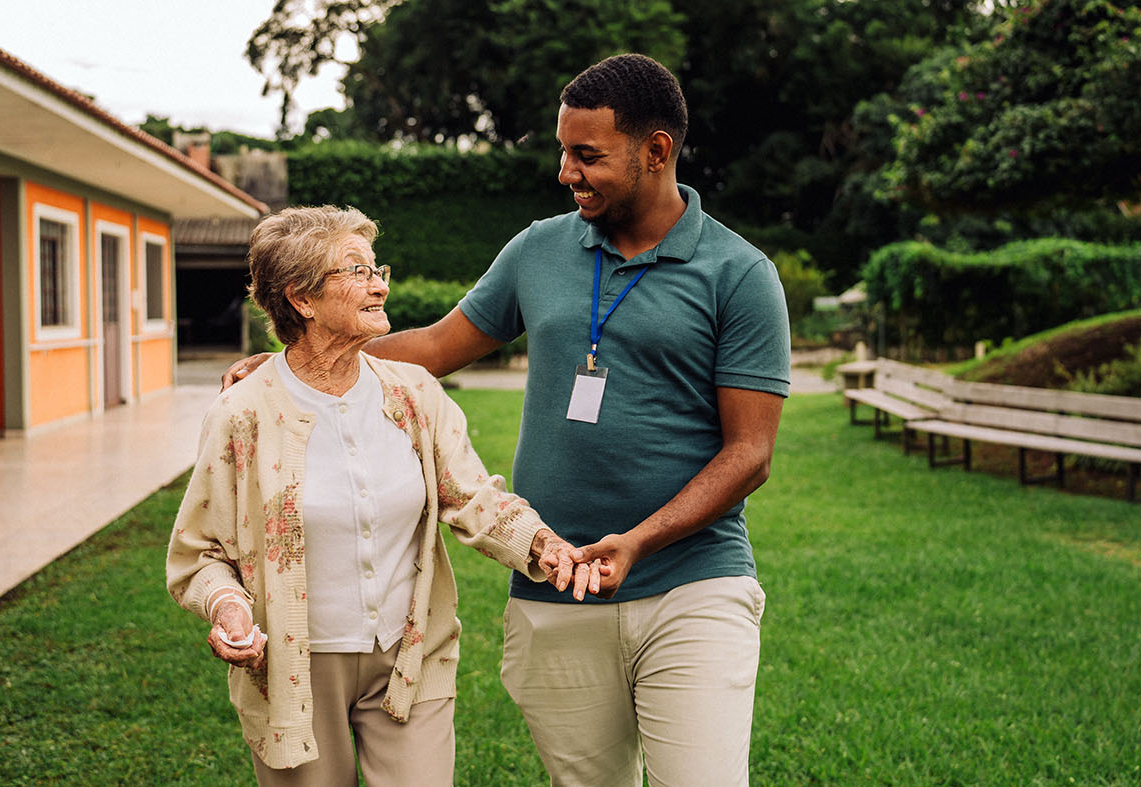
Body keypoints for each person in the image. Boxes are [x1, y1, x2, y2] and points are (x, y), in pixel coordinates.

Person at [224, 54, 789, 786]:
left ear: (657, 152)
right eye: (563, 150)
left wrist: (640, 542)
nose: (565, 171)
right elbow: (433, 347)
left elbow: (751, 452)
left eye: (587, 155)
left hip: (693, 584)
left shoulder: (739, 274)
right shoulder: (538, 249)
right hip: (553, 582)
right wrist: (299, 358)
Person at [168, 205, 602, 786]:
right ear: (302, 298)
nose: (379, 285)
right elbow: (199, 555)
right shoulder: (243, 412)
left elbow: (473, 497)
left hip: (411, 651)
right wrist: (229, 609)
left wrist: (542, 545)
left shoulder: (415, 395)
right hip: (294, 664)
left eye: (377, 268)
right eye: (356, 271)